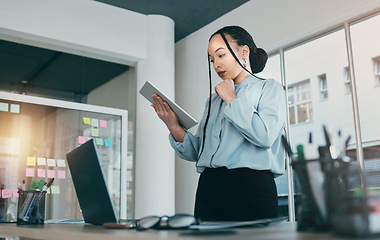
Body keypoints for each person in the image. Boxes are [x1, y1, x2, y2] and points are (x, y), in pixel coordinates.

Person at [151, 25, 286, 221]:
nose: (216, 65)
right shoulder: (213, 100)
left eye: (221, 55)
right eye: (212, 59)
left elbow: (264, 135)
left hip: (251, 188)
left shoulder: (268, 88)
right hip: (209, 188)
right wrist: (173, 125)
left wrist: (232, 99)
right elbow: (198, 152)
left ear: (244, 51)